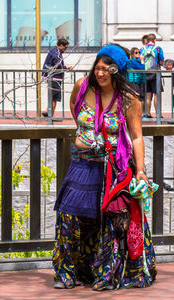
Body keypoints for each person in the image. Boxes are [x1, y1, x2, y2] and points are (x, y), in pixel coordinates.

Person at [52, 44, 157, 290]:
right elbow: (77, 115)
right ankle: (67, 271)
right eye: (97, 68)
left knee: (111, 220)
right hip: (82, 163)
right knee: (69, 215)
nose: (100, 74)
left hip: (114, 168)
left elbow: (137, 137)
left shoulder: (129, 99)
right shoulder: (81, 87)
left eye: (106, 69)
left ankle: (107, 273)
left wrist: (140, 171)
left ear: (117, 71)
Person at [42, 38, 72, 117]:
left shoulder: (54, 51)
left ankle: (48, 112)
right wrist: (66, 67)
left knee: (53, 96)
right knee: (55, 97)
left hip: (51, 76)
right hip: (54, 77)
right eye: (65, 47)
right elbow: (57, 65)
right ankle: (50, 115)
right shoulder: (56, 52)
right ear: (61, 45)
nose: (66, 49)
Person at [140, 33, 164, 118]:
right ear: (155, 40)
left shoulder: (142, 49)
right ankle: (158, 115)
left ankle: (148, 114)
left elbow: (140, 60)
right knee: (157, 95)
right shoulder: (158, 49)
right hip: (155, 74)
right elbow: (161, 61)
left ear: (146, 41)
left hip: (145, 75)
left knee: (147, 96)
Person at [128, 47, 146, 116]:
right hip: (134, 81)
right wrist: (142, 61)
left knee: (142, 97)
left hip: (141, 80)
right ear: (132, 54)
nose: (138, 54)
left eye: (139, 52)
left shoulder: (138, 61)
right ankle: (137, 113)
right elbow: (142, 68)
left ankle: (143, 113)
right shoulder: (132, 61)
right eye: (136, 53)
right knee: (137, 97)